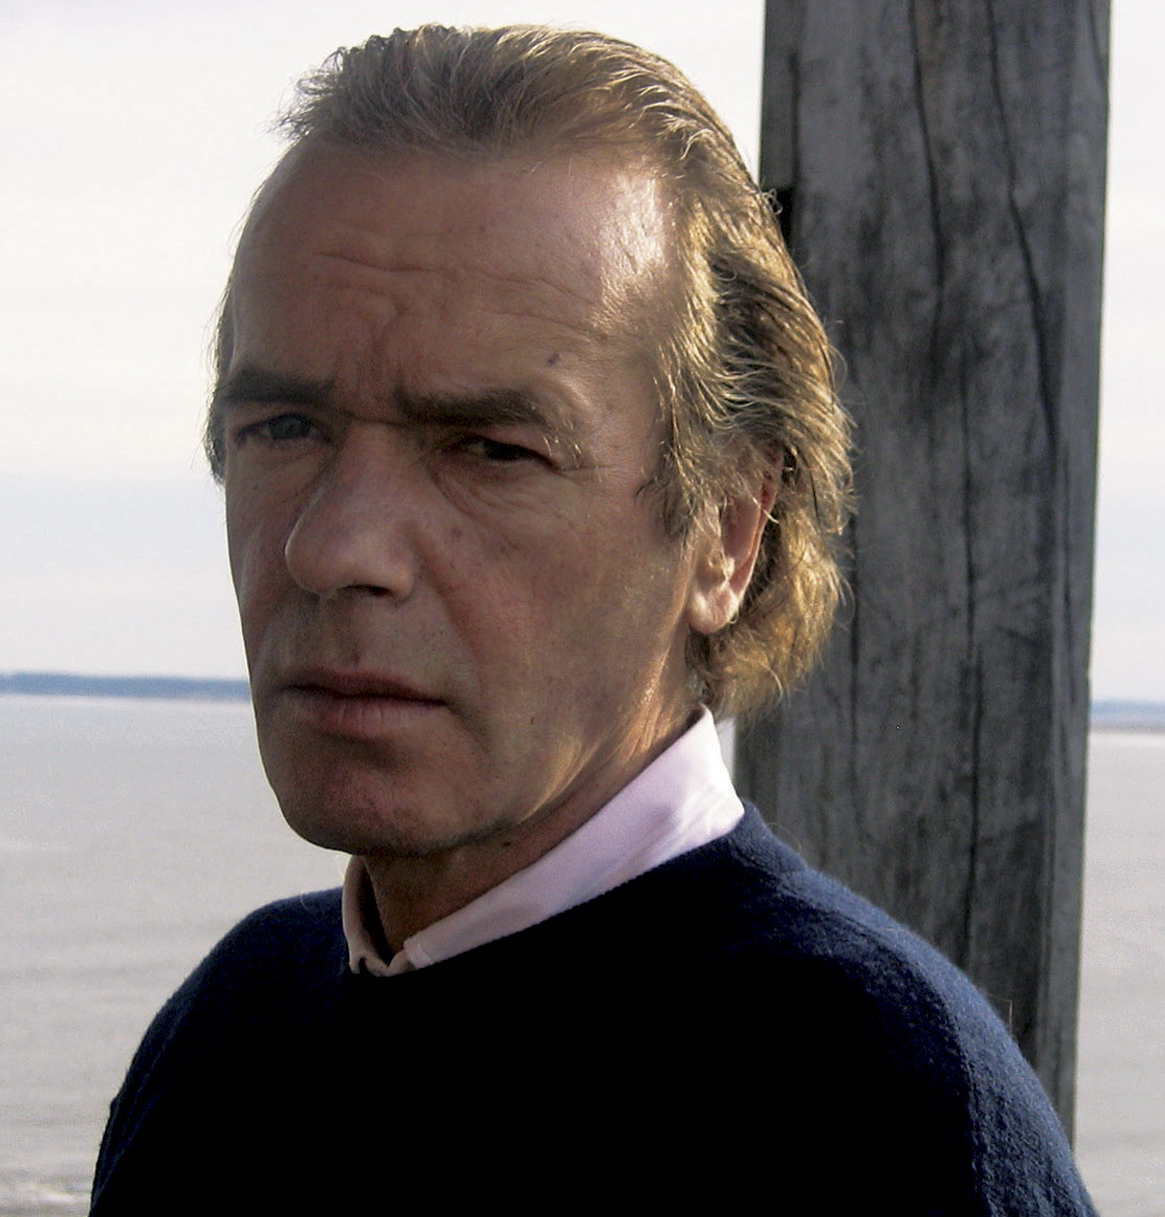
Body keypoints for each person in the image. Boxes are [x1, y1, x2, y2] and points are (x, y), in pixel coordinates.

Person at [92, 24, 1094, 1214]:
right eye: (284, 429)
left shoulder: (874, 1111)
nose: (333, 548)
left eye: (488, 448)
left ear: (727, 531)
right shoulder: (236, 1025)